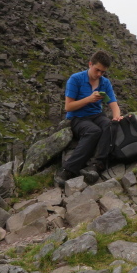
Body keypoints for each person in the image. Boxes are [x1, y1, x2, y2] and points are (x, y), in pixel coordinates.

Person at [55, 50, 122, 186]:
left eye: (102, 72)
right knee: (94, 131)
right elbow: (68, 107)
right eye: (97, 70)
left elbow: (113, 104)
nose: (99, 74)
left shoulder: (104, 83)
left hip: (97, 115)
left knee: (110, 125)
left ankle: (96, 167)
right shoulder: (76, 79)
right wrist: (89, 99)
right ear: (90, 64)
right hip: (77, 117)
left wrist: (117, 117)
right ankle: (67, 171)